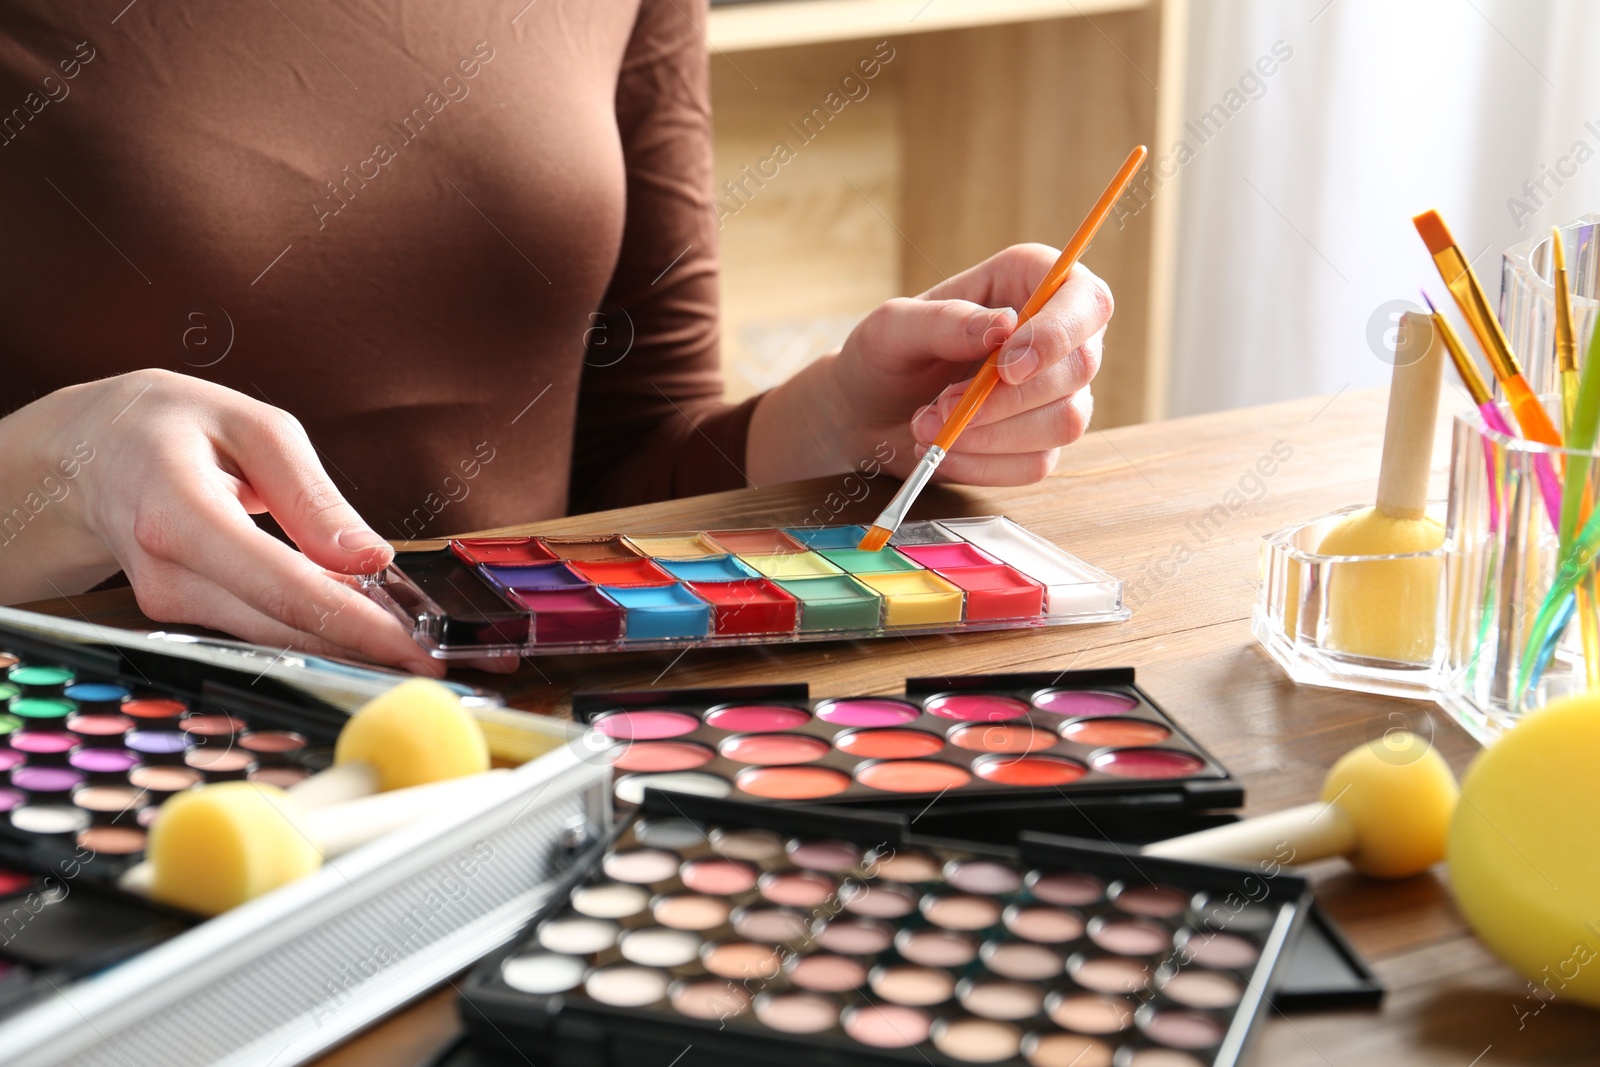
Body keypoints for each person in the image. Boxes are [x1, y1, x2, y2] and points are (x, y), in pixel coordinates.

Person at [0, 2, 1112, 676]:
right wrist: (66, 469)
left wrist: (838, 418)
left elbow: (631, 447)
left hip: (515, 748)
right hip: (100, 761)